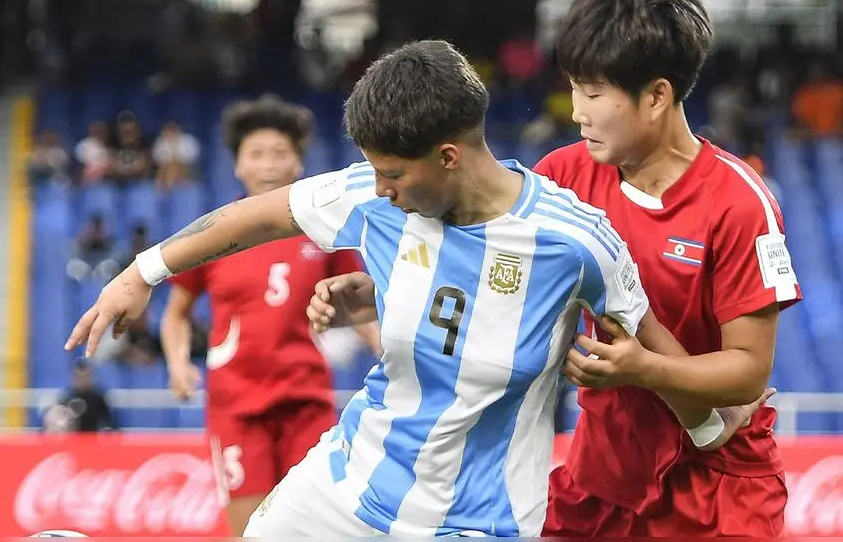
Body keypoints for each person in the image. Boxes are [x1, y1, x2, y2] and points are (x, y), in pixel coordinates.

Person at [66, 40, 749, 536]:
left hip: (481, 523)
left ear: (448, 157)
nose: (382, 192)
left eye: (394, 175)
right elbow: (252, 218)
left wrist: (707, 423)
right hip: (348, 488)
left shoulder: (576, 241)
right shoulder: (370, 194)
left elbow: (667, 366)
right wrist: (141, 273)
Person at [533, 0, 799, 537]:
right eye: (574, 87)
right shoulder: (561, 176)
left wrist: (644, 369)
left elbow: (748, 372)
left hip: (717, 489)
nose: (576, 110)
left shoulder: (740, 203)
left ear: (656, 95)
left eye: (594, 91)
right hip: (600, 479)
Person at [159, 95, 380, 535]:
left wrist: (386, 352)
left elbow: (359, 307)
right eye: (256, 154)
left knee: (314, 529)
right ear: (237, 166)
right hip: (236, 407)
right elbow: (176, 313)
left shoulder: (324, 232)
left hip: (307, 402)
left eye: (281, 153)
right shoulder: (212, 236)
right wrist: (179, 364)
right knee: (249, 533)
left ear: (299, 163)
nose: (269, 165)